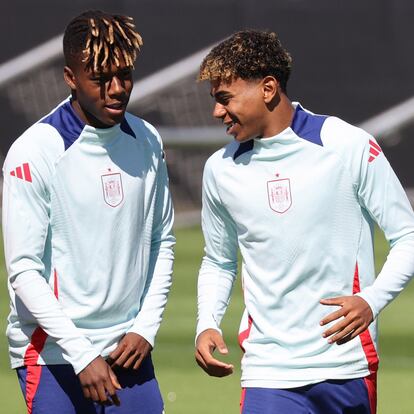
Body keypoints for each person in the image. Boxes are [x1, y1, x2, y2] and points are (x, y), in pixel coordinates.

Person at [194, 30, 414, 414]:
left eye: (224, 98)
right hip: (269, 373)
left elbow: (408, 235)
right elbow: (219, 260)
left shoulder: (346, 145)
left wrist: (370, 301)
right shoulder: (220, 169)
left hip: (347, 364)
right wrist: (207, 322)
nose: (216, 112)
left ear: (267, 88)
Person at [2, 10, 175, 414]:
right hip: (56, 355)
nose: (116, 90)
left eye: (125, 75)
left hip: (127, 352)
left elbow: (161, 240)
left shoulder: (147, 140)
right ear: (70, 77)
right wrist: (81, 354)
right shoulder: (35, 151)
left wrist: (145, 328)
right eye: (100, 79)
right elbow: (23, 268)